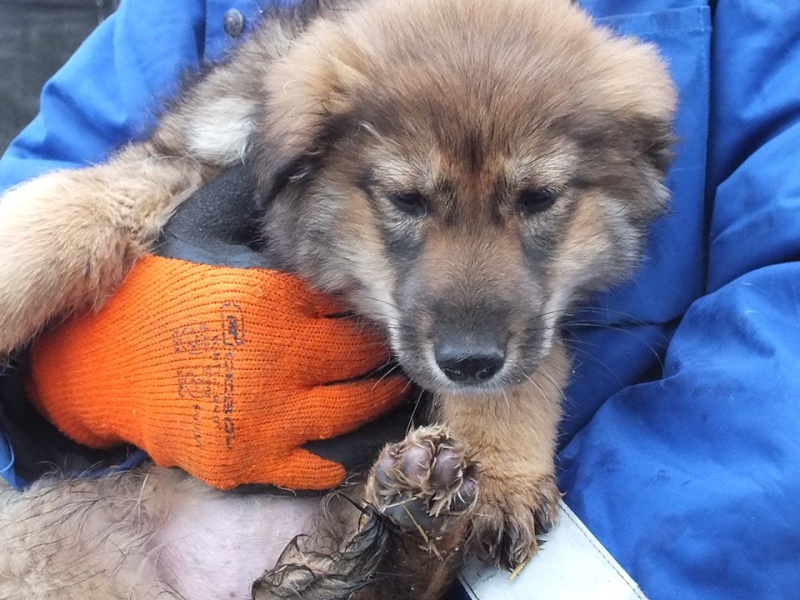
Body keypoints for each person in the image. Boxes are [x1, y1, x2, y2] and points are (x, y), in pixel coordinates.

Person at [1, 1, 798, 598]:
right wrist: (68, 379)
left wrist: (529, 570)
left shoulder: (747, 31)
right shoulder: (220, 30)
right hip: (120, 543)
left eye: (538, 199)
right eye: (409, 202)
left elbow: (774, 395)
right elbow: (93, 180)